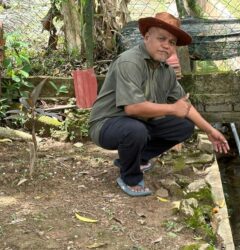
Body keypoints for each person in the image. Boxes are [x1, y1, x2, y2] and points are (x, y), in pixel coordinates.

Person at [88, 12, 230, 197]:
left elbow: (184, 105)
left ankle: (136, 158)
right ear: (147, 37)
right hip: (106, 124)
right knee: (135, 130)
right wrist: (172, 108)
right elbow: (132, 108)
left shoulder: (166, 71)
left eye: (172, 42)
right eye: (161, 38)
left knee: (184, 126)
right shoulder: (130, 62)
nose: (166, 45)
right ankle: (130, 177)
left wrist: (210, 130)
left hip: (139, 122)